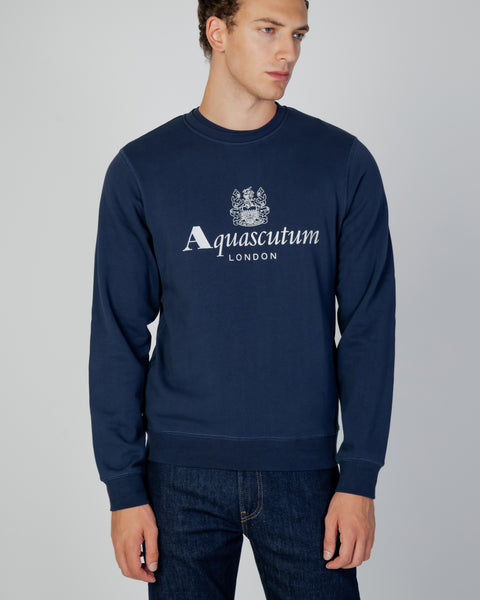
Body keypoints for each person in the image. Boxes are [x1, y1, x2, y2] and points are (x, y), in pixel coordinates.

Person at [88, 0, 396, 598]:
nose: (288, 52)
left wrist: (360, 477)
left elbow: (369, 329)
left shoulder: (342, 163)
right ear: (218, 31)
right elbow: (117, 335)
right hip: (178, 480)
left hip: (308, 474)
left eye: (298, 35)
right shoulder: (142, 169)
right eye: (268, 30)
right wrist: (123, 490)